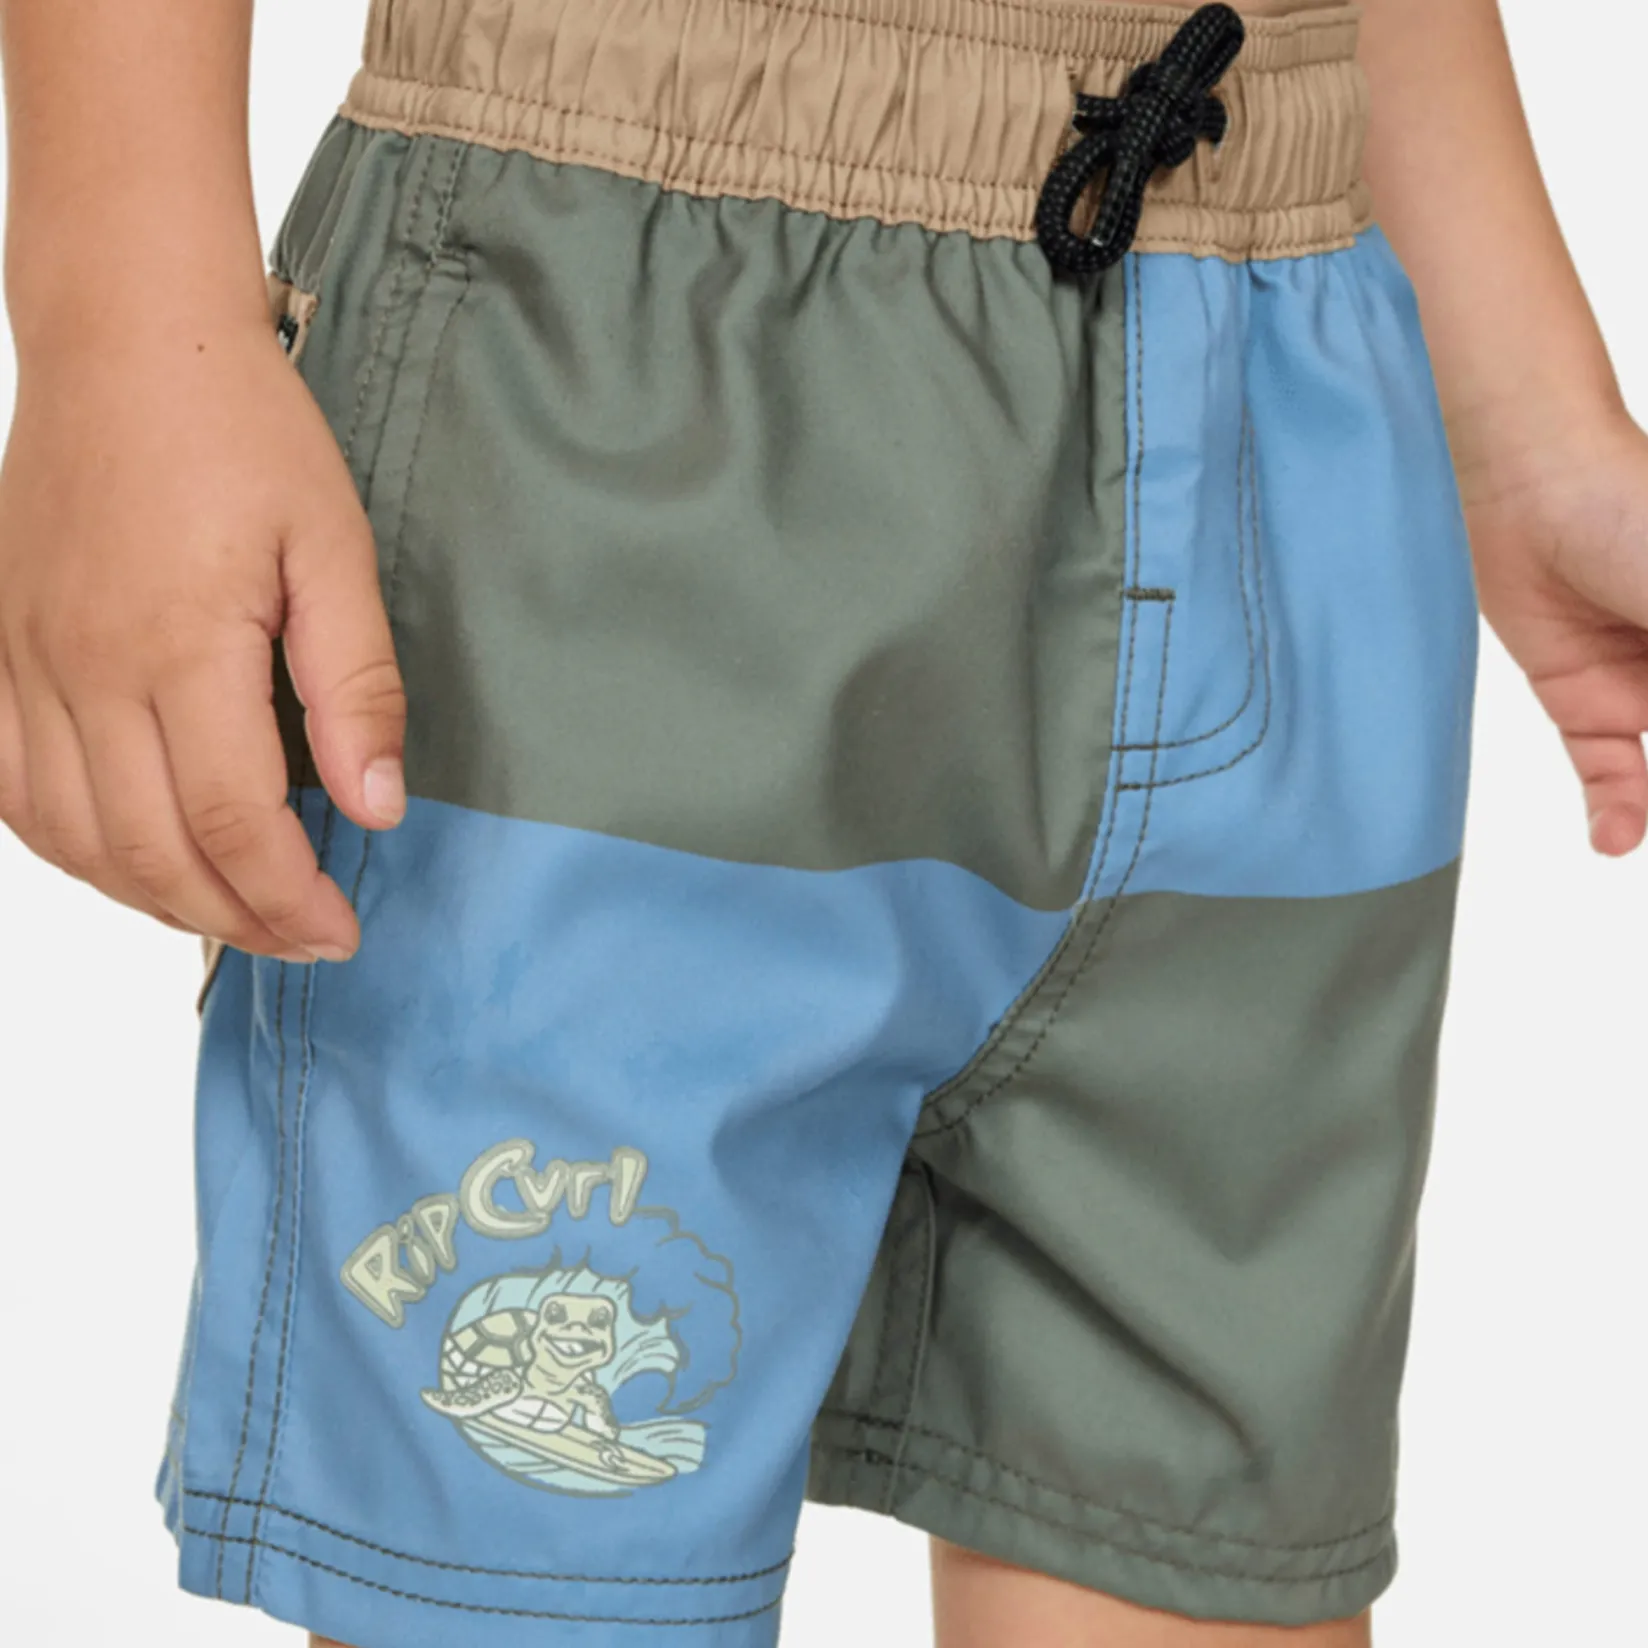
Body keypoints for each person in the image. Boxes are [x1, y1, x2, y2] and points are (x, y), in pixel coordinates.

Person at [0, 1, 1640, 1644]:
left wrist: (1524, 417)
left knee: (1193, 1569)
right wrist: (119, 315)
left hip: (1294, 393)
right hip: (623, 376)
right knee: (526, 1578)